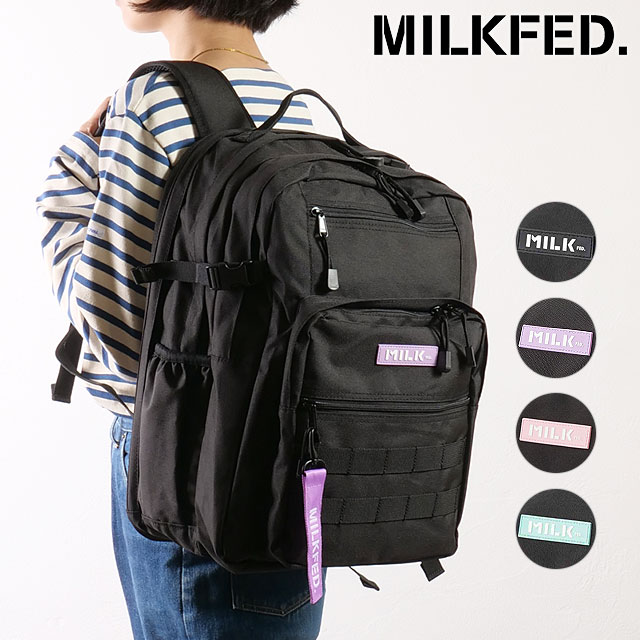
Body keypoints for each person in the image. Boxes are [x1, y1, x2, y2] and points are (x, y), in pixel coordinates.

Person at [35, 1, 327, 638]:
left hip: (184, 460)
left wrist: (69, 180)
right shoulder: (301, 108)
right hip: (288, 463)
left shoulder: (151, 100)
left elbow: (115, 329)